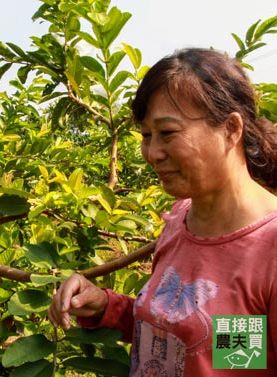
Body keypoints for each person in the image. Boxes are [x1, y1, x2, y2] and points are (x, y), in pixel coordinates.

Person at [48, 48, 277, 376]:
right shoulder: (179, 222)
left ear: (230, 129)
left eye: (168, 133)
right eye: (146, 135)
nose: (153, 152)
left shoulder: (269, 249)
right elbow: (193, 342)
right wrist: (104, 306)